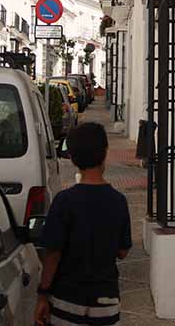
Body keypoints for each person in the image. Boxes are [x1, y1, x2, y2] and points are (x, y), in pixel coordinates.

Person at [35, 122, 132, 326]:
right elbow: (123, 251)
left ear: (72, 158)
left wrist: (43, 294)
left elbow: (52, 254)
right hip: (106, 301)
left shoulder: (64, 201)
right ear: (105, 152)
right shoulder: (118, 201)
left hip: (67, 301)